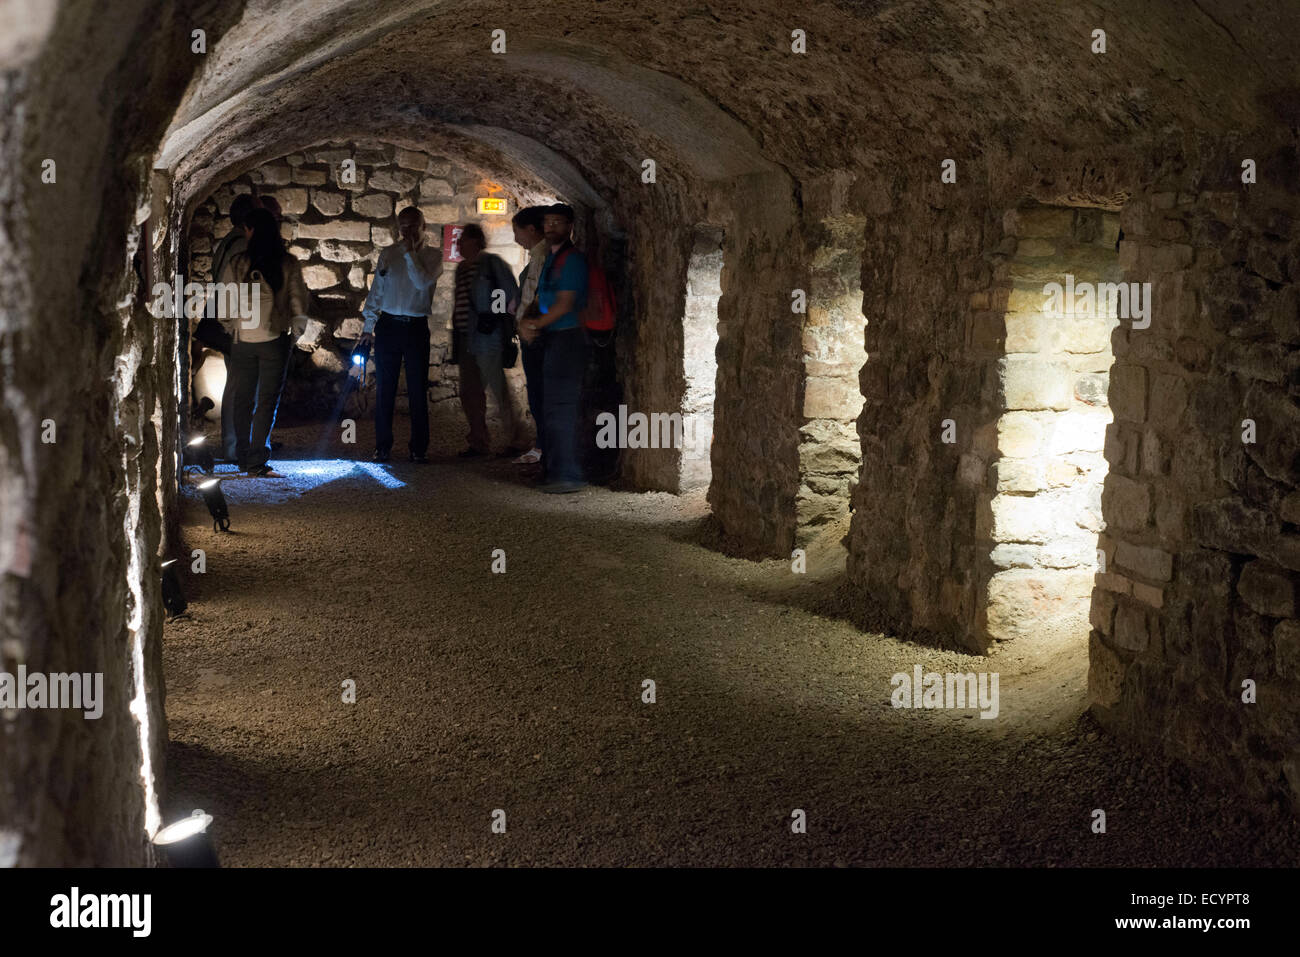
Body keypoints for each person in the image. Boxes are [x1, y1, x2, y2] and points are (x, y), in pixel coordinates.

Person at [218, 207, 310, 476]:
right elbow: (299, 304)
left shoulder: (237, 263)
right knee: (266, 402)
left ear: (253, 231)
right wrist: (293, 336)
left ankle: (243, 457)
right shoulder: (288, 263)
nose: (244, 233)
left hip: (243, 340)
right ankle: (257, 461)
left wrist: (233, 327)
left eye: (247, 228)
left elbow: (224, 305)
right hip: (274, 340)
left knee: (242, 400)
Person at [357, 206, 442, 463]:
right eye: (403, 226)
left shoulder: (433, 256)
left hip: (416, 328)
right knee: (385, 389)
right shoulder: (388, 254)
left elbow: (422, 282)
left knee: (417, 389)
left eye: (413, 225)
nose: (407, 231)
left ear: (423, 226)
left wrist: (409, 254)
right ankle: (382, 446)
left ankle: (418, 448)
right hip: (389, 326)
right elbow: (377, 292)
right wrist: (367, 328)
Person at [517, 204, 588, 493]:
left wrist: (534, 325)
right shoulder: (552, 259)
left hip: (568, 338)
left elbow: (564, 303)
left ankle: (567, 474)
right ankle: (555, 470)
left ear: (570, 226)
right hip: (552, 339)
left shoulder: (571, 261)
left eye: (557, 222)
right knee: (551, 407)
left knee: (561, 407)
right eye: (547, 222)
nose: (550, 228)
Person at [451, 223, 525, 457]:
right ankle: (478, 442)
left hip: (487, 337)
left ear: (475, 241)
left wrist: (493, 318)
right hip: (465, 338)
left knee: (499, 389)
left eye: (463, 239)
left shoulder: (492, 264)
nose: (458, 243)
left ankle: (518, 441)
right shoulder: (462, 268)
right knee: (469, 392)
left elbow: (510, 293)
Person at [205, 192, 257, 461]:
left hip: (234, 324)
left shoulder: (227, 243)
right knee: (239, 386)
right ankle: (235, 447)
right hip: (239, 326)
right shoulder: (240, 247)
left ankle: (238, 444)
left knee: (237, 384)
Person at [509, 206, 549, 468]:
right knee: (536, 393)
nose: (515, 238)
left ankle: (544, 449)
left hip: (537, 335)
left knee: (540, 393)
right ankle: (542, 447)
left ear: (531, 230)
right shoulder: (537, 255)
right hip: (530, 333)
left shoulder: (545, 256)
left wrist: (529, 321)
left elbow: (539, 294)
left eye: (517, 231)